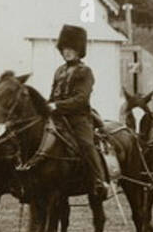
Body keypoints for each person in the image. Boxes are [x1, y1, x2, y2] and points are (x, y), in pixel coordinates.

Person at [30, 24, 109, 198]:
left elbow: (81, 99)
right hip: (57, 116)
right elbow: (53, 95)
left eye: (71, 49)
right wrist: (46, 106)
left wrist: (57, 106)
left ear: (79, 50)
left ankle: (99, 181)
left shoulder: (85, 71)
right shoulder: (59, 71)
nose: (67, 52)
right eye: (65, 48)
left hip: (78, 117)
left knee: (87, 144)